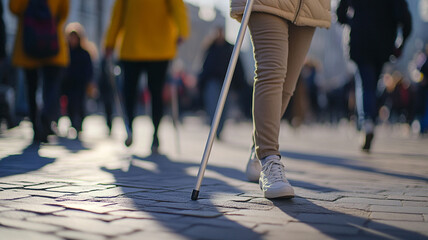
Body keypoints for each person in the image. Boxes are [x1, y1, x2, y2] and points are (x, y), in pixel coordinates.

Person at [230, 1, 331, 198]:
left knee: (287, 85)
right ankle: (269, 159)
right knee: (272, 72)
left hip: (309, 5)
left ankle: (257, 147)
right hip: (266, 3)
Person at [104, 0, 190, 153]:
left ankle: (155, 133)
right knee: (130, 91)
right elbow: (118, 14)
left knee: (154, 93)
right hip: (134, 47)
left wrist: (182, 31)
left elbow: (177, 6)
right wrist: (110, 41)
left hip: (157, 48)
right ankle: (130, 127)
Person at [337, 0, 412, 152]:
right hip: (383, 42)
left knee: (365, 84)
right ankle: (369, 119)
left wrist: (351, 21)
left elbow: (340, 13)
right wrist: (401, 44)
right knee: (372, 83)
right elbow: (405, 19)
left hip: (360, 39)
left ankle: (367, 122)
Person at [10, 0, 69, 143]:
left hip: (28, 42)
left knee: (31, 87)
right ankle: (45, 118)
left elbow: (14, 7)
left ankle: (36, 127)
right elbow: (64, 11)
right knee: (51, 86)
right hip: (51, 41)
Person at [198, 27, 245, 139]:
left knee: (224, 108)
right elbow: (205, 67)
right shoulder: (210, 48)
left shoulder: (230, 48)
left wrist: (238, 85)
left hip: (226, 82)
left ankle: (219, 130)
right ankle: (214, 129)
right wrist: (201, 82)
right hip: (212, 81)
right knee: (212, 106)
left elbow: (238, 67)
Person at [62, 22, 94, 138]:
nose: (73, 40)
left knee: (80, 104)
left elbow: (89, 69)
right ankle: (72, 123)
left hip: (81, 83)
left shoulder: (84, 53)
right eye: (71, 37)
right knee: (70, 105)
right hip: (69, 83)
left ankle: (79, 124)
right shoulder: (66, 52)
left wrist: (89, 81)